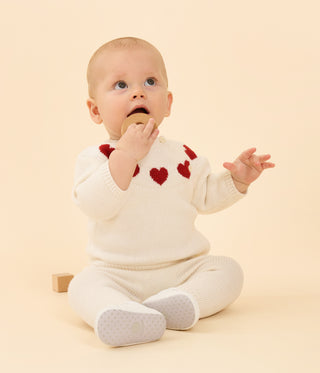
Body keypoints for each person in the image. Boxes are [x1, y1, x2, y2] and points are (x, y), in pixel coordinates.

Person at [68, 37, 275, 347]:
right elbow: (95, 205)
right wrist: (125, 155)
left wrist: (238, 180)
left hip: (183, 269)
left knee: (228, 271)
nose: (138, 92)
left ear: (168, 102)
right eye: (120, 85)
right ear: (95, 110)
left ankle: (181, 302)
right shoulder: (97, 157)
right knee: (82, 286)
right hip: (116, 272)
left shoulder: (182, 155)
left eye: (150, 81)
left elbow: (204, 195)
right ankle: (119, 312)